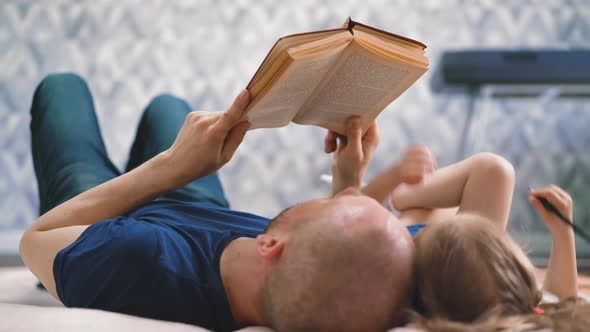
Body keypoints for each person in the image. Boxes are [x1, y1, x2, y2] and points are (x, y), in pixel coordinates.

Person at [19, 73, 417, 332]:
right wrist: (349, 176)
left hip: (112, 221)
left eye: (343, 203)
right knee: (169, 108)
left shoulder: (136, 257)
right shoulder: (290, 268)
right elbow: (329, 257)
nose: (349, 193)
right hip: (198, 211)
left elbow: (36, 238)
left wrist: (172, 167)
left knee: (62, 87)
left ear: (272, 244)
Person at [363, 145, 589, 330]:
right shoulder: (512, 311)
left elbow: (345, 217)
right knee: (493, 172)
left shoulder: (391, 278)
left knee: (430, 212)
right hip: (433, 249)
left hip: (396, 234)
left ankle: (398, 196)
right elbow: (562, 300)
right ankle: (402, 197)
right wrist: (562, 230)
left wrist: (386, 177)